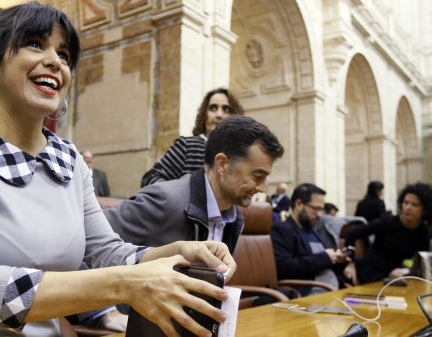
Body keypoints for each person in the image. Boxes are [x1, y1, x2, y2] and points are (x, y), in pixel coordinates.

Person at [0, 3, 236, 336]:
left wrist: (176, 252)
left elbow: (108, 254)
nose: (55, 62)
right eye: (35, 44)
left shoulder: (68, 158)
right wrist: (128, 283)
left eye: (64, 55)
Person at [107, 115, 284, 253]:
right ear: (222, 164)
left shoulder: (235, 218)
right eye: (258, 176)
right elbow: (89, 237)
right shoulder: (165, 200)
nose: (262, 188)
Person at [140, 87, 245, 187]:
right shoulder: (187, 146)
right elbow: (150, 179)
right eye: (213, 108)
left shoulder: (241, 156)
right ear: (204, 115)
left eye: (226, 109)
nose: (219, 114)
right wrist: (182, 195)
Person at [343, 182, 432, 285]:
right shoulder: (387, 222)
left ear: (425, 210)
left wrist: (408, 271)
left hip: (398, 277)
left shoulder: (424, 232)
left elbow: (419, 261)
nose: (408, 207)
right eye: (406, 202)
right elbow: (352, 233)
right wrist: (350, 263)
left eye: (414, 205)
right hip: (372, 273)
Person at [271, 183, 349, 296]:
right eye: (315, 209)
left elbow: (322, 265)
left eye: (321, 210)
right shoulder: (282, 229)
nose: (319, 215)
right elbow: (284, 268)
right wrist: (325, 257)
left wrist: (339, 261)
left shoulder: (313, 231)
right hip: (310, 295)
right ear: (299, 204)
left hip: (333, 292)